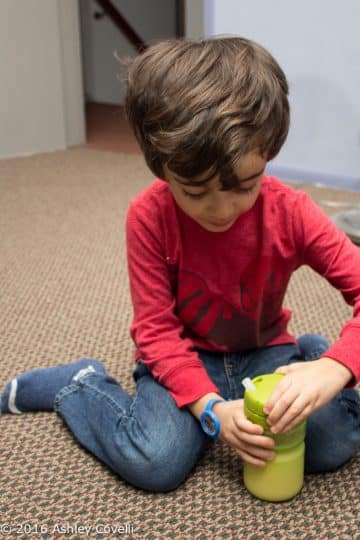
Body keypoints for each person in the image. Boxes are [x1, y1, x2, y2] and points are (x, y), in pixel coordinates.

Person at [1, 37, 359, 492]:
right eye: (194, 191)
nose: (222, 209)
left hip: (265, 351)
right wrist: (211, 409)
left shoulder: (291, 211)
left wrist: (335, 368)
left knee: (332, 443)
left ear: (267, 155)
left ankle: (313, 355)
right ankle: (79, 383)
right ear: (160, 166)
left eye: (245, 186)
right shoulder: (148, 217)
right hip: (185, 355)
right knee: (156, 462)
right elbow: (155, 332)